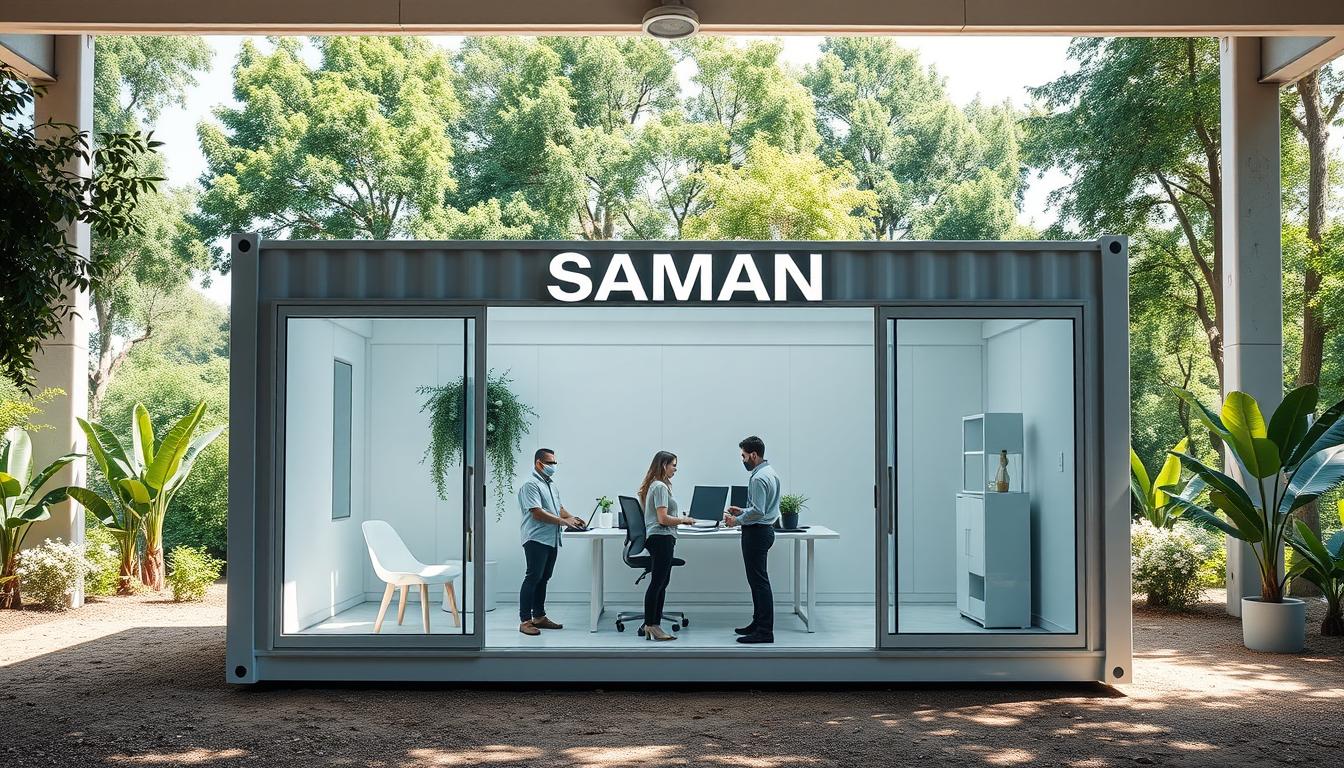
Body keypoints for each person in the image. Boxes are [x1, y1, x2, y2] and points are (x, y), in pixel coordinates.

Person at [517, 448, 585, 636]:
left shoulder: (550, 485)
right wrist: (564, 522)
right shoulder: (530, 485)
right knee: (532, 577)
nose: (553, 466)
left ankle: (539, 616)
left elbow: (558, 508)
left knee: (543, 578)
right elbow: (537, 512)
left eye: (555, 463)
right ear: (539, 463)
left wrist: (573, 518)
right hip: (536, 538)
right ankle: (525, 621)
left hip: (551, 539)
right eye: (550, 463)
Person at [724, 435, 781, 644]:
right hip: (765, 530)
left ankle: (764, 631)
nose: (743, 459)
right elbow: (761, 509)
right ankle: (757, 623)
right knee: (758, 581)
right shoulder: (770, 472)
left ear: (753, 455)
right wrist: (743, 510)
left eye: (744, 455)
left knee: (759, 583)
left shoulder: (758, 478)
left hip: (756, 533)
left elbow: (758, 511)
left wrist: (735, 520)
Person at [636, 451, 697, 641]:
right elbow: (662, 519)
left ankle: (652, 625)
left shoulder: (653, 485)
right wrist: (683, 520)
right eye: (674, 465)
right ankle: (652, 625)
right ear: (664, 465)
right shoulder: (660, 486)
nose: (676, 469)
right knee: (659, 584)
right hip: (661, 538)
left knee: (660, 583)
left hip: (657, 538)